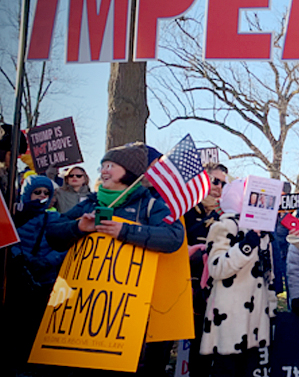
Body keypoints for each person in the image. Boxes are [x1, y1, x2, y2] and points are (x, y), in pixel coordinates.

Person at [46, 143, 184, 254]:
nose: (104, 171)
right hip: (87, 287)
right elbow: (52, 234)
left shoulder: (149, 205)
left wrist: (125, 231)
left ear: (129, 171)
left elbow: (174, 236)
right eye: (103, 166)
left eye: (110, 166)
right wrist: (78, 227)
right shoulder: (90, 203)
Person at [200, 178, 277, 376]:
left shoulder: (264, 233)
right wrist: (247, 244)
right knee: (226, 370)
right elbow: (217, 268)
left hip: (255, 322)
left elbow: (267, 275)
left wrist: (272, 308)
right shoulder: (224, 226)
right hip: (229, 321)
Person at [3, 175, 66, 375]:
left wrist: (47, 262)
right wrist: (22, 259)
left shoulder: (55, 217)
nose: (41, 196)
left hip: (45, 278)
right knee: (15, 322)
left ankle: (34, 362)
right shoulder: (16, 216)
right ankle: (15, 362)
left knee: (37, 323)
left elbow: (64, 245)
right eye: (36, 192)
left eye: (45, 193)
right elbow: (9, 240)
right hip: (19, 276)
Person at [183, 162, 228, 377]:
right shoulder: (186, 209)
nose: (219, 187)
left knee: (207, 341)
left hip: (214, 288)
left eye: (223, 183)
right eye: (215, 181)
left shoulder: (226, 214)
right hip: (186, 284)